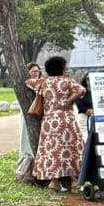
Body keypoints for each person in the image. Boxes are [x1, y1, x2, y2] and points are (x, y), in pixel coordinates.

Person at [26, 55, 86, 192]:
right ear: (63, 69)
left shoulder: (44, 83)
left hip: (49, 120)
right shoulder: (67, 81)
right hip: (66, 118)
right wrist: (69, 100)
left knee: (52, 150)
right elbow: (81, 90)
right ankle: (74, 181)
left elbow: (28, 82)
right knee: (71, 148)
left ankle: (54, 182)